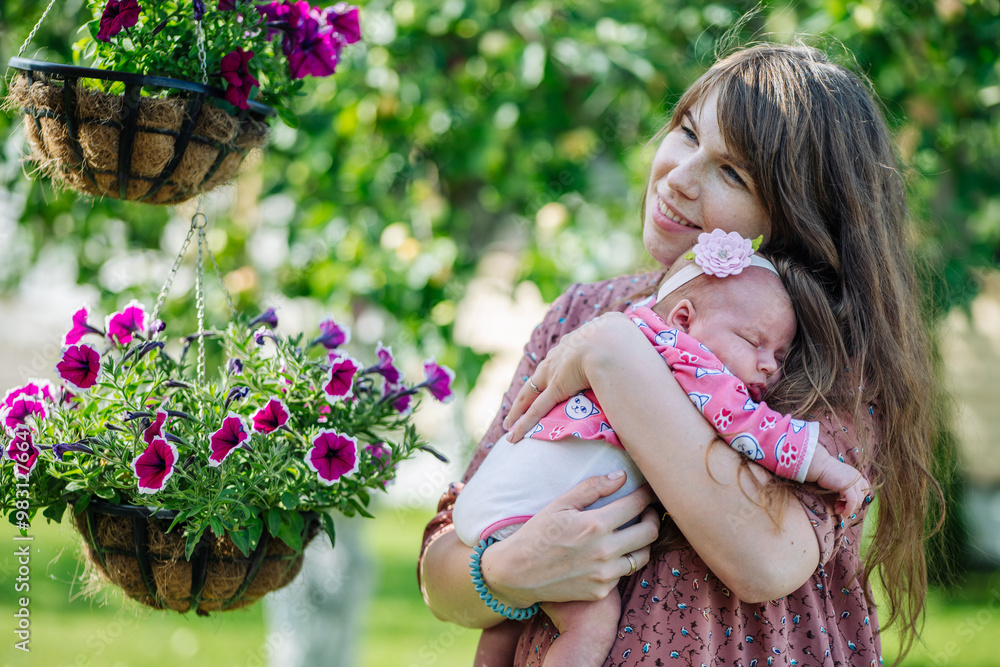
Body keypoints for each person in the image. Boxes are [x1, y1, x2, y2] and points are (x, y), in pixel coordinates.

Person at [419, 43, 940, 666]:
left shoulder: (813, 357)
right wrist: (507, 571)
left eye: (733, 173)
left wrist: (615, 355)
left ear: (801, 218)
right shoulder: (580, 313)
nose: (679, 177)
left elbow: (766, 560)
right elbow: (446, 560)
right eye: (688, 133)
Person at [454, 244, 869, 667]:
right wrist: (826, 466)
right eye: (752, 342)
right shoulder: (692, 361)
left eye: (779, 356)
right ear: (684, 319)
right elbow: (754, 429)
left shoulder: (631, 324)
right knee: (590, 625)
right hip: (537, 512)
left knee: (507, 621)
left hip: (504, 509)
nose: (768, 367)